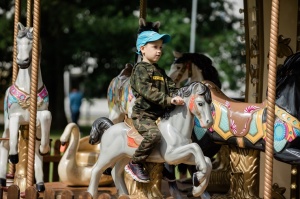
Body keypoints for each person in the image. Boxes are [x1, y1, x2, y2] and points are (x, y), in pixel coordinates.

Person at [124, 30, 185, 183]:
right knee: (154, 135)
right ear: (142, 49)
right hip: (144, 114)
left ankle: (165, 162)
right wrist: (169, 100)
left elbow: (172, 87)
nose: (159, 51)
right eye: (155, 47)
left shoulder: (161, 71)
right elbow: (148, 92)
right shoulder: (140, 69)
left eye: (160, 48)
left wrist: (182, 95)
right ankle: (135, 163)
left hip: (160, 114)